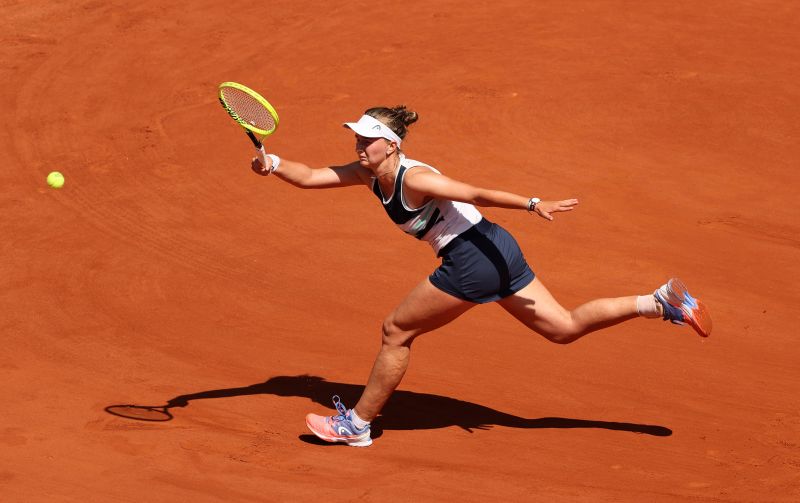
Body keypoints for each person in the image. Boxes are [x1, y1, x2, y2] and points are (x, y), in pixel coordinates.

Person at [250, 106, 712, 447]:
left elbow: (474, 191)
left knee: (396, 330)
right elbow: (310, 175)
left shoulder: (416, 179)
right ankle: (659, 302)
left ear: (391, 145)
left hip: (472, 259)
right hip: (498, 248)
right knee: (563, 327)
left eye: (366, 140)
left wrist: (533, 203)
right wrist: (272, 164)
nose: (357, 145)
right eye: (355, 137)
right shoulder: (369, 173)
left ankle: (358, 425)